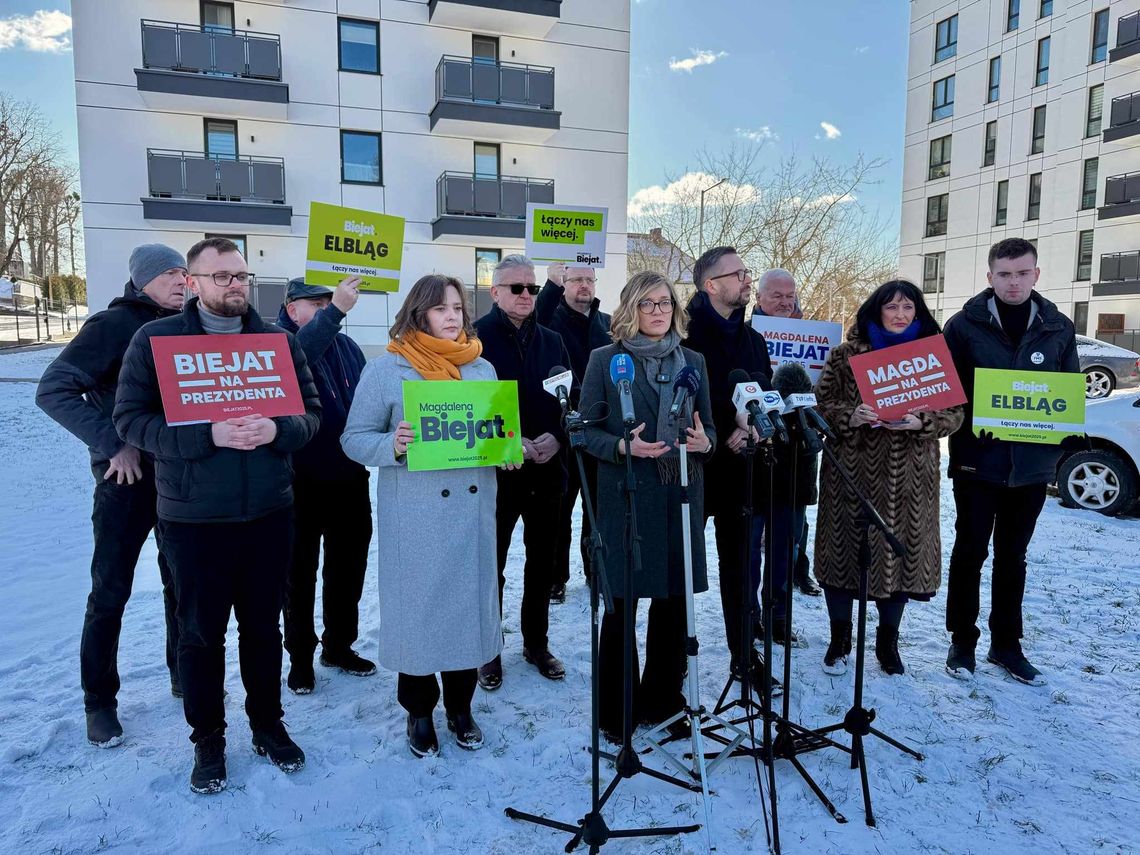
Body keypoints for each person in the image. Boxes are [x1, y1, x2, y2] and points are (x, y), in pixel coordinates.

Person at [113, 237, 320, 794]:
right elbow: (130, 421)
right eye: (223, 276)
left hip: (269, 513)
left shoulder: (278, 341)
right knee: (200, 635)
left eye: (242, 276)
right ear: (193, 282)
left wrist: (278, 430)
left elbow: (311, 414)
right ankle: (207, 739)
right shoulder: (155, 340)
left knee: (262, 630)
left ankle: (268, 725)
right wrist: (209, 435)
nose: (236, 285)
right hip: (193, 519)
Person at [341, 274, 501, 757]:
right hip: (415, 517)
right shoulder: (388, 368)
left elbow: (493, 432)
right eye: (440, 308)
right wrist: (392, 444)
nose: (452, 316)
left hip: (470, 514)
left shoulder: (481, 369)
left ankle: (461, 706)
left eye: (457, 307)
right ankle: (418, 710)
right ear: (418, 313)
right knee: (420, 616)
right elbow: (353, 438)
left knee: (466, 614)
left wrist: (506, 448)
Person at [35, 243, 188, 748]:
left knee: (181, 584)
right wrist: (112, 444)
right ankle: (98, 701)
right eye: (169, 274)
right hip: (125, 482)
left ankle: (181, 674)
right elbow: (53, 389)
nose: (181, 281)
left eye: (185, 273)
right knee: (110, 592)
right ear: (142, 279)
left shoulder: (187, 327)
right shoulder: (112, 326)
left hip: (180, 479)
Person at [580, 271, 715, 742]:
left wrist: (704, 442)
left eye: (665, 303)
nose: (658, 311)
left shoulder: (693, 360)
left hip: (680, 495)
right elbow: (581, 431)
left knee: (673, 606)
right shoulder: (605, 360)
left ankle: (662, 702)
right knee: (623, 605)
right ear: (630, 310)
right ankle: (617, 713)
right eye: (648, 303)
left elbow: (711, 431)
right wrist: (622, 447)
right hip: (626, 497)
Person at [942, 238, 1078, 685]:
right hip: (977, 463)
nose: (1013, 281)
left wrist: (1054, 442)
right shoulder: (962, 326)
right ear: (990, 277)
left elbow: (1068, 391)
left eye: (1022, 273)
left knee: (1012, 557)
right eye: (1004, 274)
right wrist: (966, 427)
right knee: (970, 551)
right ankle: (962, 641)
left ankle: (1006, 646)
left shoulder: (1058, 327)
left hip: (1031, 468)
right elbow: (948, 393)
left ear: (1036, 274)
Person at [813, 280, 964, 676]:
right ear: (876, 310)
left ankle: (888, 642)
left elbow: (955, 415)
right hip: (851, 474)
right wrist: (850, 415)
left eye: (907, 308)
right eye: (891, 307)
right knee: (842, 556)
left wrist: (922, 421)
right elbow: (820, 406)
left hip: (912, 480)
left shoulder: (932, 356)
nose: (899, 315)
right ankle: (839, 638)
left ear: (918, 312)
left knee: (901, 560)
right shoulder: (845, 355)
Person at [473, 255, 572, 690]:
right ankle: (487, 649)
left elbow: (571, 399)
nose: (527, 295)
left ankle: (536, 642)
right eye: (517, 288)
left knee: (543, 562)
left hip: (548, 470)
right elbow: (465, 407)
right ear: (495, 292)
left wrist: (557, 435)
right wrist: (506, 445)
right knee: (490, 564)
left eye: (531, 288)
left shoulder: (553, 340)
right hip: (497, 471)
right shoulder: (473, 337)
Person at [682, 246, 778, 685]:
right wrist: (724, 431)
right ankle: (674, 660)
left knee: (740, 567)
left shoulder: (754, 340)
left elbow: (764, 394)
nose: (745, 279)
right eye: (736, 273)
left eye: (745, 272)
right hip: (693, 470)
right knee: (680, 567)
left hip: (742, 468)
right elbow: (677, 404)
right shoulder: (684, 335)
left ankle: (744, 655)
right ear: (711, 285)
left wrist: (756, 428)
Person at [276, 276, 374, 694]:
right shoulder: (278, 342)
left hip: (350, 477)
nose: (325, 307)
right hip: (299, 482)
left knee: (348, 570)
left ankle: (339, 645)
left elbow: (367, 402)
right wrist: (334, 312)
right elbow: (297, 357)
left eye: (327, 301)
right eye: (314, 303)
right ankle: (299, 657)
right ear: (291, 307)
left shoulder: (349, 347)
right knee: (298, 576)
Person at [536, 262, 611, 602]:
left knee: (598, 508)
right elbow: (537, 318)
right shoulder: (550, 319)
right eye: (577, 279)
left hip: (599, 429)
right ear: (564, 284)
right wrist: (550, 285)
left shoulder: (608, 324)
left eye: (589, 279)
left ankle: (596, 571)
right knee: (559, 510)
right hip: (561, 429)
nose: (584, 285)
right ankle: (556, 577)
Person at [755, 268, 822, 597]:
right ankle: (758, 607)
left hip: (801, 447)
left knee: (797, 525)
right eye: (776, 295)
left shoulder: (815, 335)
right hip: (762, 443)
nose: (784, 302)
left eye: (789, 295)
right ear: (760, 297)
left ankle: (799, 572)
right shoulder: (748, 334)